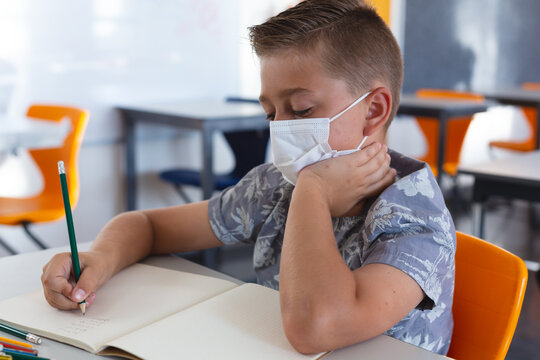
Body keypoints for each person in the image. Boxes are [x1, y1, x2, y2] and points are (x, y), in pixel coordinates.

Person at [41, 0, 455, 355]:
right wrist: (100, 258)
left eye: (301, 109)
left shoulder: (412, 216)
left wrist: (313, 190)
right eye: (271, 113)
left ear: (374, 110)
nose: (281, 128)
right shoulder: (275, 185)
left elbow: (316, 327)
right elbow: (146, 226)